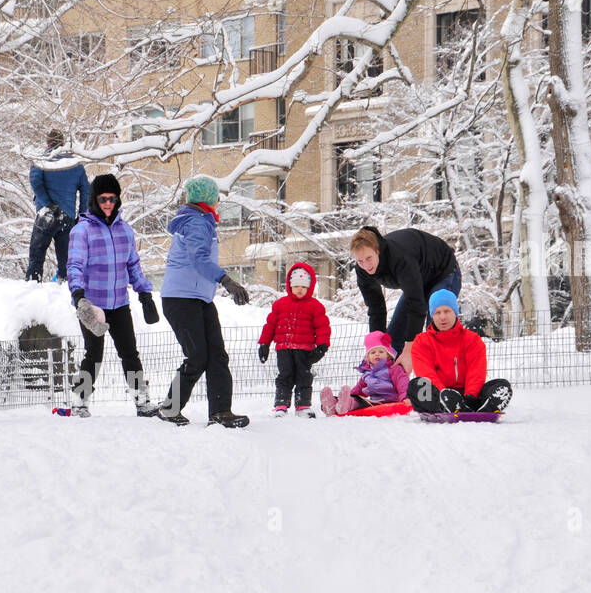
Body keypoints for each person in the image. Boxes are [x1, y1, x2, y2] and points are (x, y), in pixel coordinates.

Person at [157, 175, 251, 428]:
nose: (219, 201)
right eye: (216, 196)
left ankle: (220, 411)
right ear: (207, 198)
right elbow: (199, 260)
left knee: (216, 355)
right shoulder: (196, 223)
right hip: (181, 299)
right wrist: (227, 280)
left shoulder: (201, 221)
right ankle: (170, 408)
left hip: (197, 299)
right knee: (198, 356)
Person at [66, 173, 161, 417]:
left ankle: (142, 401)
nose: (108, 203)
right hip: (92, 305)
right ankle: (80, 401)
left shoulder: (124, 230)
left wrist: (144, 293)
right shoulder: (82, 230)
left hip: (119, 303)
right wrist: (78, 296)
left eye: (112, 198)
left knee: (130, 352)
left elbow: (133, 265)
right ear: (94, 201)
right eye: (102, 199)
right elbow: (75, 265)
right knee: (94, 354)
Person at [350, 225, 461, 371]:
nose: (366, 265)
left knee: (435, 330)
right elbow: (376, 308)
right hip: (419, 279)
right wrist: (376, 347)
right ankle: (386, 387)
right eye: (360, 261)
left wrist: (409, 349)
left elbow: (416, 305)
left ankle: (443, 384)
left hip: (443, 272)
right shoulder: (363, 271)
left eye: (369, 258)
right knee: (392, 341)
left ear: (377, 251)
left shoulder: (399, 258)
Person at [408, 289, 513, 414]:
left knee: (501, 385)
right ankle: (446, 406)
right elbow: (426, 373)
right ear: (432, 315)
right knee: (418, 386)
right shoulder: (422, 341)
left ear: (455, 312)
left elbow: (476, 372)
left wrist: (470, 397)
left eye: (447, 311)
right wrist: (444, 395)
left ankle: (481, 407)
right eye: (437, 313)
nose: (442, 317)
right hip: (438, 395)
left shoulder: (472, 340)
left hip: (467, 395)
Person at [256, 262, 330, 418]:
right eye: (296, 286)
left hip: (305, 350)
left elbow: (322, 327)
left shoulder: (315, 306)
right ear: (290, 285)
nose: (299, 290)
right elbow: (270, 325)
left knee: (304, 376)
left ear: (309, 287)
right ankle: (281, 405)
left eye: (303, 287)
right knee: (285, 375)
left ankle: (302, 405)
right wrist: (264, 343)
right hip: (284, 348)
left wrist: (322, 346)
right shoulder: (280, 305)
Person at [26, 129, 90, 283]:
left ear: (48, 143)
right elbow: (86, 191)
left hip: (46, 215)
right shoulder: (75, 164)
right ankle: (65, 288)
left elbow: (36, 183)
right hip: (67, 216)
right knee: (66, 259)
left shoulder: (41, 160)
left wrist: (48, 204)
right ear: (63, 143)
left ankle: (34, 285)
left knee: (37, 255)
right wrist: (81, 216)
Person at [320, 330, 410, 415]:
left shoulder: (394, 369)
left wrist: (405, 398)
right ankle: (333, 405)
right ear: (368, 358)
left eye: (381, 351)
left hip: (390, 403)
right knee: (357, 402)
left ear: (388, 355)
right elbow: (359, 388)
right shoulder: (367, 373)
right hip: (373, 403)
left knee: (361, 404)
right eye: (373, 352)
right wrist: (351, 396)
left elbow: (403, 383)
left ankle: (345, 405)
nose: (377, 354)